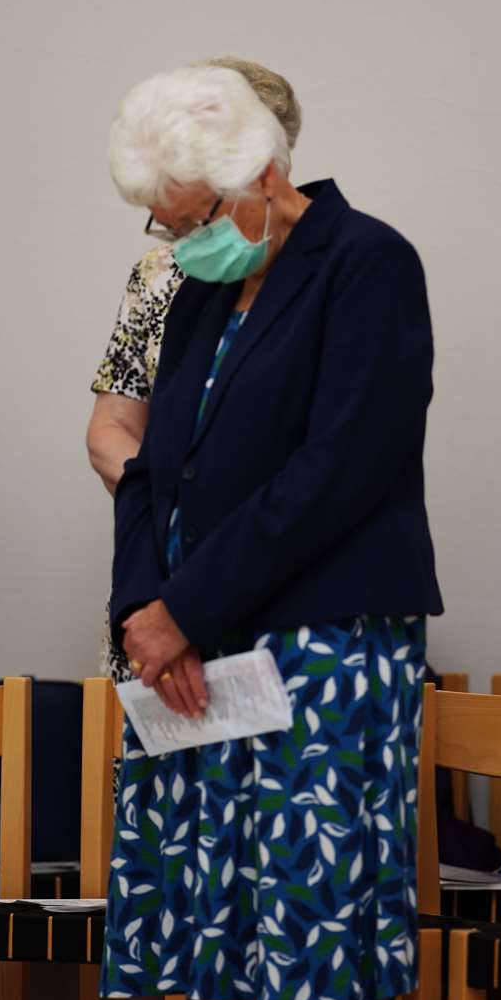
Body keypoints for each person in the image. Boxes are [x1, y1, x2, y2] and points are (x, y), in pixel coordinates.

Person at [100, 65, 441, 1000]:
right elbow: (153, 467)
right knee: (213, 924)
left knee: (318, 937)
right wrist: (145, 616)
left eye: (188, 218)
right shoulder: (205, 291)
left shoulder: (365, 262)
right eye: (161, 225)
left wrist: (184, 611)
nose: (174, 244)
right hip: (191, 651)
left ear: (258, 176)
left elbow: (341, 470)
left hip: (325, 645)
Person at [87, 57, 303, 684]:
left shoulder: (324, 267)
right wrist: (169, 514)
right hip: (161, 576)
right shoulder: (161, 279)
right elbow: (110, 428)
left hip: (275, 581)